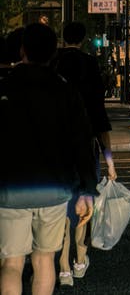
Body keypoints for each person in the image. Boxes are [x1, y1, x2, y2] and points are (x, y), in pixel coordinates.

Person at [0, 24, 98, 295]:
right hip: (54, 188)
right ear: (53, 52)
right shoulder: (64, 90)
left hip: (10, 188)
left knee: (11, 263)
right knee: (44, 260)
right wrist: (87, 190)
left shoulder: (4, 87)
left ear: (22, 50)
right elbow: (82, 143)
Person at [52, 22, 117, 286]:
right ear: (83, 38)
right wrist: (110, 162)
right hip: (86, 148)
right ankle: (80, 260)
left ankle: (63, 266)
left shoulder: (53, 64)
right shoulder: (90, 66)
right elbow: (101, 120)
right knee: (84, 204)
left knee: (62, 208)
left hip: (56, 148)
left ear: (62, 36)